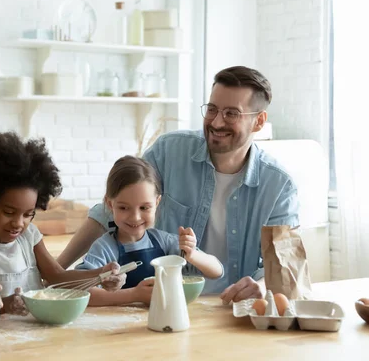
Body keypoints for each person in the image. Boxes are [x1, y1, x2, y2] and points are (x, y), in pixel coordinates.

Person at [57, 66, 300, 304]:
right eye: (212, 109)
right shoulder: (168, 152)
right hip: (165, 302)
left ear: (258, 121)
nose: (216, 122)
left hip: (228, 310)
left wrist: (260, 287)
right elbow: (108, 211)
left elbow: (285, 266)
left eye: (231, 113)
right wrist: (57, 271)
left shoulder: (280, 185)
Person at [0, 132, 125, 315]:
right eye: (8, 212)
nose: (18, 223)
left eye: (28, 214)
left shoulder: (30, 236)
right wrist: (3, 305)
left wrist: (101, 275)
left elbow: (57, 277)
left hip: (35, 336)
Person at [75, 156, 223, 306]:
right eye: (123, 208)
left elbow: (216, 271)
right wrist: (134, 295)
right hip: (121, 327)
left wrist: (192, 254)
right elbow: (80, 292)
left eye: (144, 208)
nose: (135, 217)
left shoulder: (165, 242)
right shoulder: (104, 248)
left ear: (157, 202)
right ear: (110, 204)